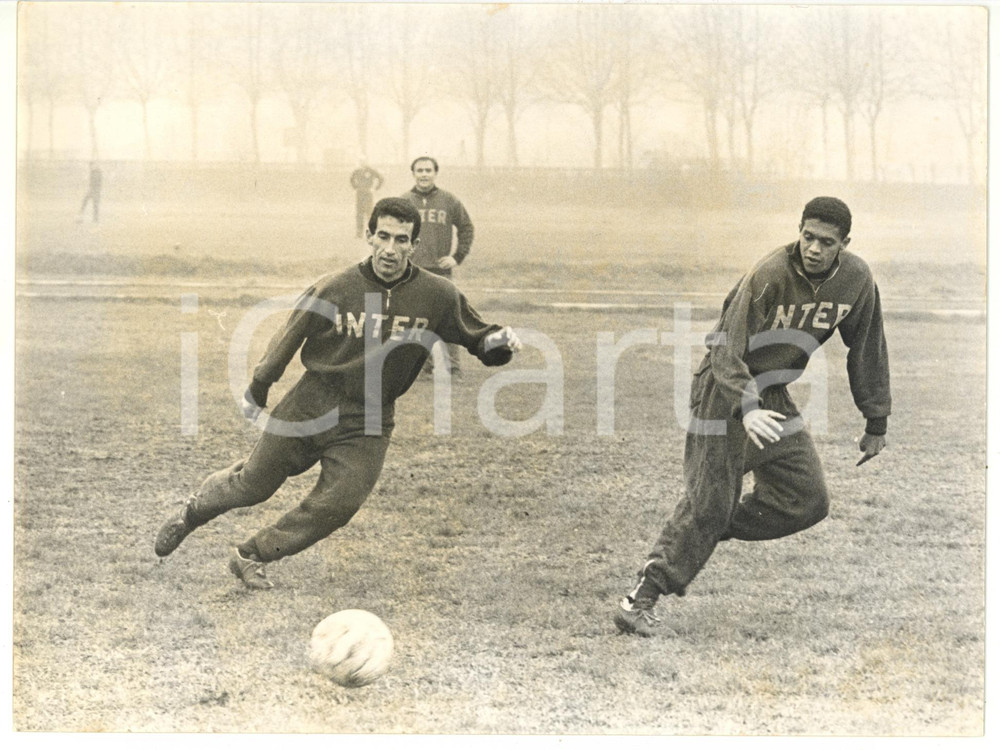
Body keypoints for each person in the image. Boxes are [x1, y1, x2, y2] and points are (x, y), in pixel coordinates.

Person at [154, 197, 522, 589]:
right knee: (252, 485)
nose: (390, 249)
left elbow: (479, 339)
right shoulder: (335, 286)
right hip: (310, 403)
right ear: (369, 236)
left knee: (339, 504)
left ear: (414, 245)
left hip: (370, 418)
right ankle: (191, 514)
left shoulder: (438, 295)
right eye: (383, 236)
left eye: (401, 240)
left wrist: (499, 343)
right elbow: (289, 336)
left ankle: (251, 555)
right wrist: (260, 385)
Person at [614, 197, 891, 636]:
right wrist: (746, 406)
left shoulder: (856, 280)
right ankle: (639, 599)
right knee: (710, 501)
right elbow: (726, 347)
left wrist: (876, 421)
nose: (814, 248)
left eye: (827, 242)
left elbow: (868, 347)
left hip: (772, 393)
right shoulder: (769, 274)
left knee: (807, 499)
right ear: (798, 231)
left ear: (844, 244)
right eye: (808, 237)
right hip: (724, 390)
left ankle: (708, 523)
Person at [402, 156, 475, 377]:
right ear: (413, 173)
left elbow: (466, 227)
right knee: (415, 320)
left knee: (447, 319)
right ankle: (423, 367)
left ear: (435, 173)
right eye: (419, 170)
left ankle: (453, 367)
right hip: (412, 271)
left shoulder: (449, 200)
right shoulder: (404, 201)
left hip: (441, 270)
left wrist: (457, 256)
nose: (424, 174)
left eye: (428, 170)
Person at [350, 160, 383, 238]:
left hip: (368, 193)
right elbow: (351, 179)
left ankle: (372, 232)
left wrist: (375, 188)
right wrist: (355, 187)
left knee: (369, 212)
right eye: (361, 161)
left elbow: (381, 178)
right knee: (359, 213)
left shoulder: (371, 171)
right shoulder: (357, 171)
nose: (362, 163)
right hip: (359, 193)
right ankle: (359, 233)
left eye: (364, 161)